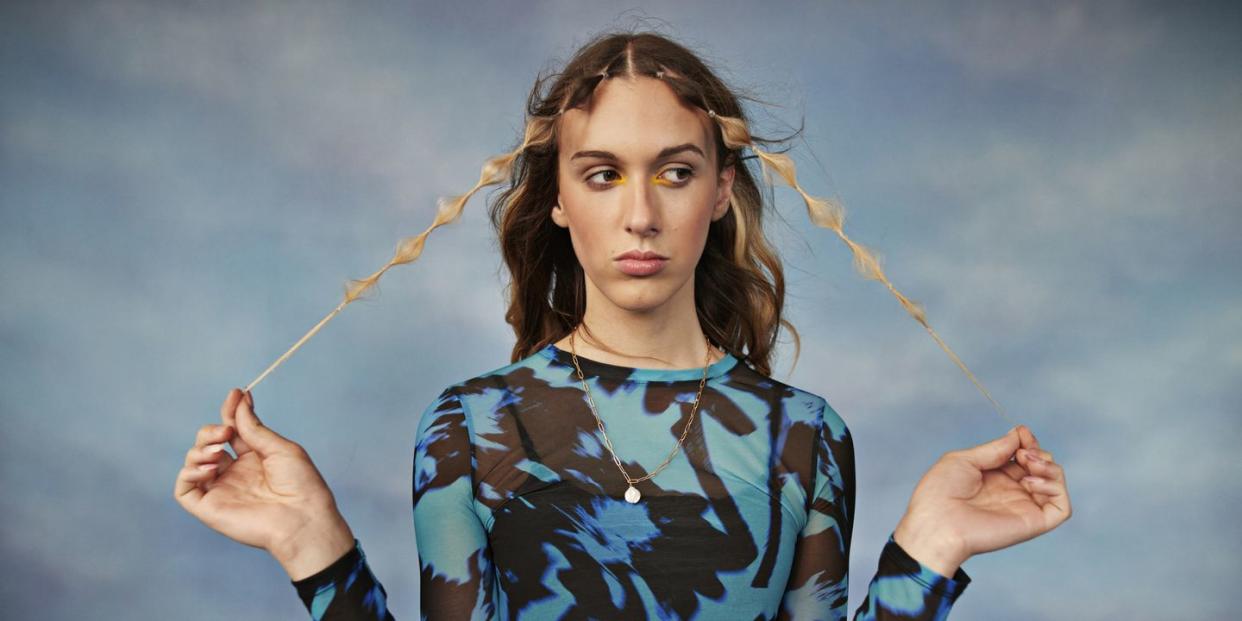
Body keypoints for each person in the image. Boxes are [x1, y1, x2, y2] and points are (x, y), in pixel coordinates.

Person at [173, 30, 1071, 620]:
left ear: (720, 191)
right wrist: (312, 541)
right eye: (602, 174)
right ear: (559, 198)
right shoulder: (474, 425)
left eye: (674, 172)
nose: (640, 214)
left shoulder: (803, 435)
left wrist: (929, 549)